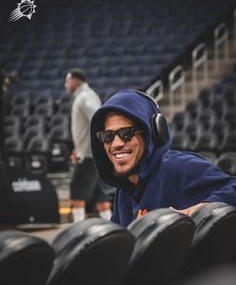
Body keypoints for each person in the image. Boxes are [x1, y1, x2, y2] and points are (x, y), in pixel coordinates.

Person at [90, 90, 236, 227]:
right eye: (107, 136)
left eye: (126, 133)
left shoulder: (179, 168)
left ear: (153, 132)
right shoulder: (123, 191)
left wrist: (205, 208)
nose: (116, 144)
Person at [64, 68, 112, 222]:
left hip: (89, 154)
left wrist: (85, 150)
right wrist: (77, 149)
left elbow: (98, 119)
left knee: (76, 190)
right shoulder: (88, 94)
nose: (66, 84)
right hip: (91, 152)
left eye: (67, 81)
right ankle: (112, 225)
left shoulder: (84, 97)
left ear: (75, 81)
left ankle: (79, 229)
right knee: (100, 195)